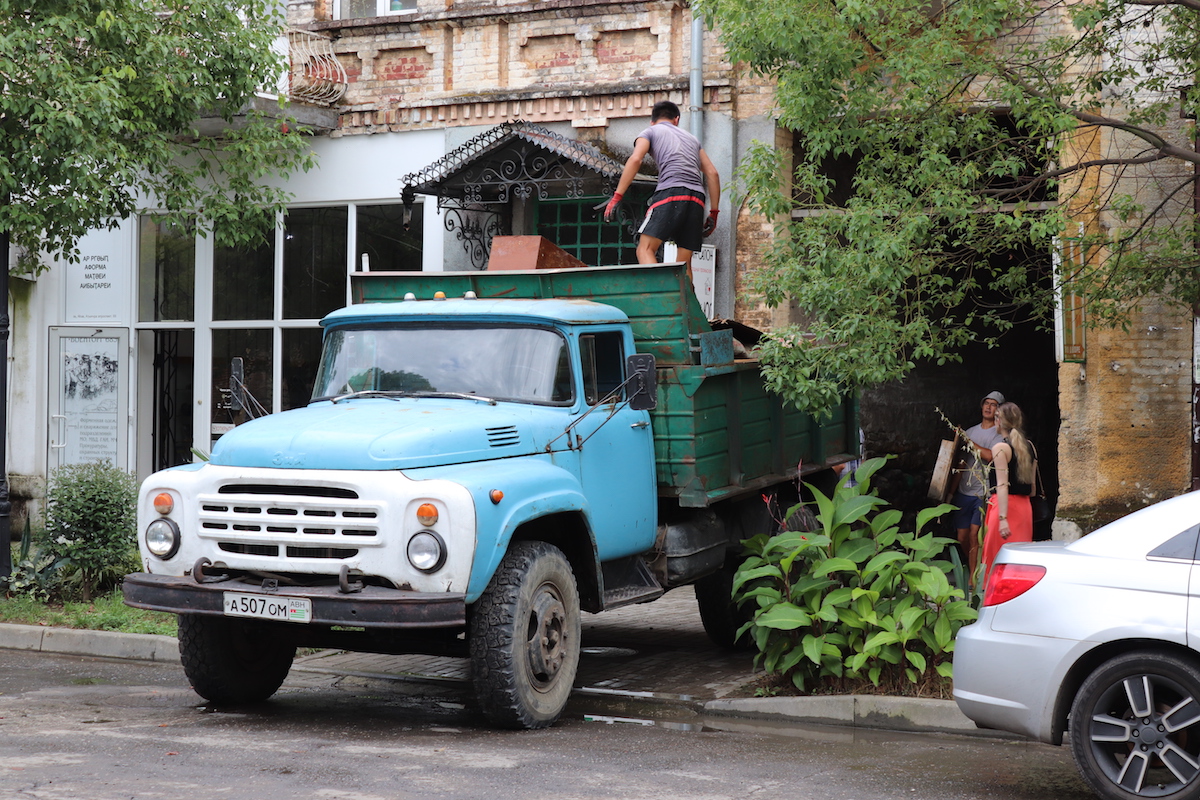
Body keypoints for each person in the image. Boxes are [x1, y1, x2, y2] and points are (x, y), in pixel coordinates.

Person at [603, 100, 721, 274]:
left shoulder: (650, 131)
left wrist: (617, 196)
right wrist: (714, 213)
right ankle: (684, 301)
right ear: (676, 120)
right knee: (684, 263)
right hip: (697, 197)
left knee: (645, 249)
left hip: (671, 192)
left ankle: (662, 293)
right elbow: (712, 173)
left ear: (652, 121)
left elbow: (636, 159)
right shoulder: (692, 140)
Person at [951, 391, 1005, 580]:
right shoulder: (971, 431)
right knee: (962, 537)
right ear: (982, 406)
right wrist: (951, 492)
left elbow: (991, 456)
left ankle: (974, 581)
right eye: (986, 403)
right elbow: (961, 463)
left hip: (983, 492)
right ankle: (976, 566)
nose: (989, 407)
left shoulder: (999, 434)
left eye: (994, 405)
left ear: (1000, 410)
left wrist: (968, 441)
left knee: (975, 535)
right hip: (964, 492)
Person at [981, 401, 1037, 576]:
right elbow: (1033, 488)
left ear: (998, 420)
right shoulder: (1030, 447)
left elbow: (1002, 485)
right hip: (1024, 508)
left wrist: (1003, 518)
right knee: (1020, 560)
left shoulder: (1000, 448)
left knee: (996, 559)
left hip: (1004, 508)